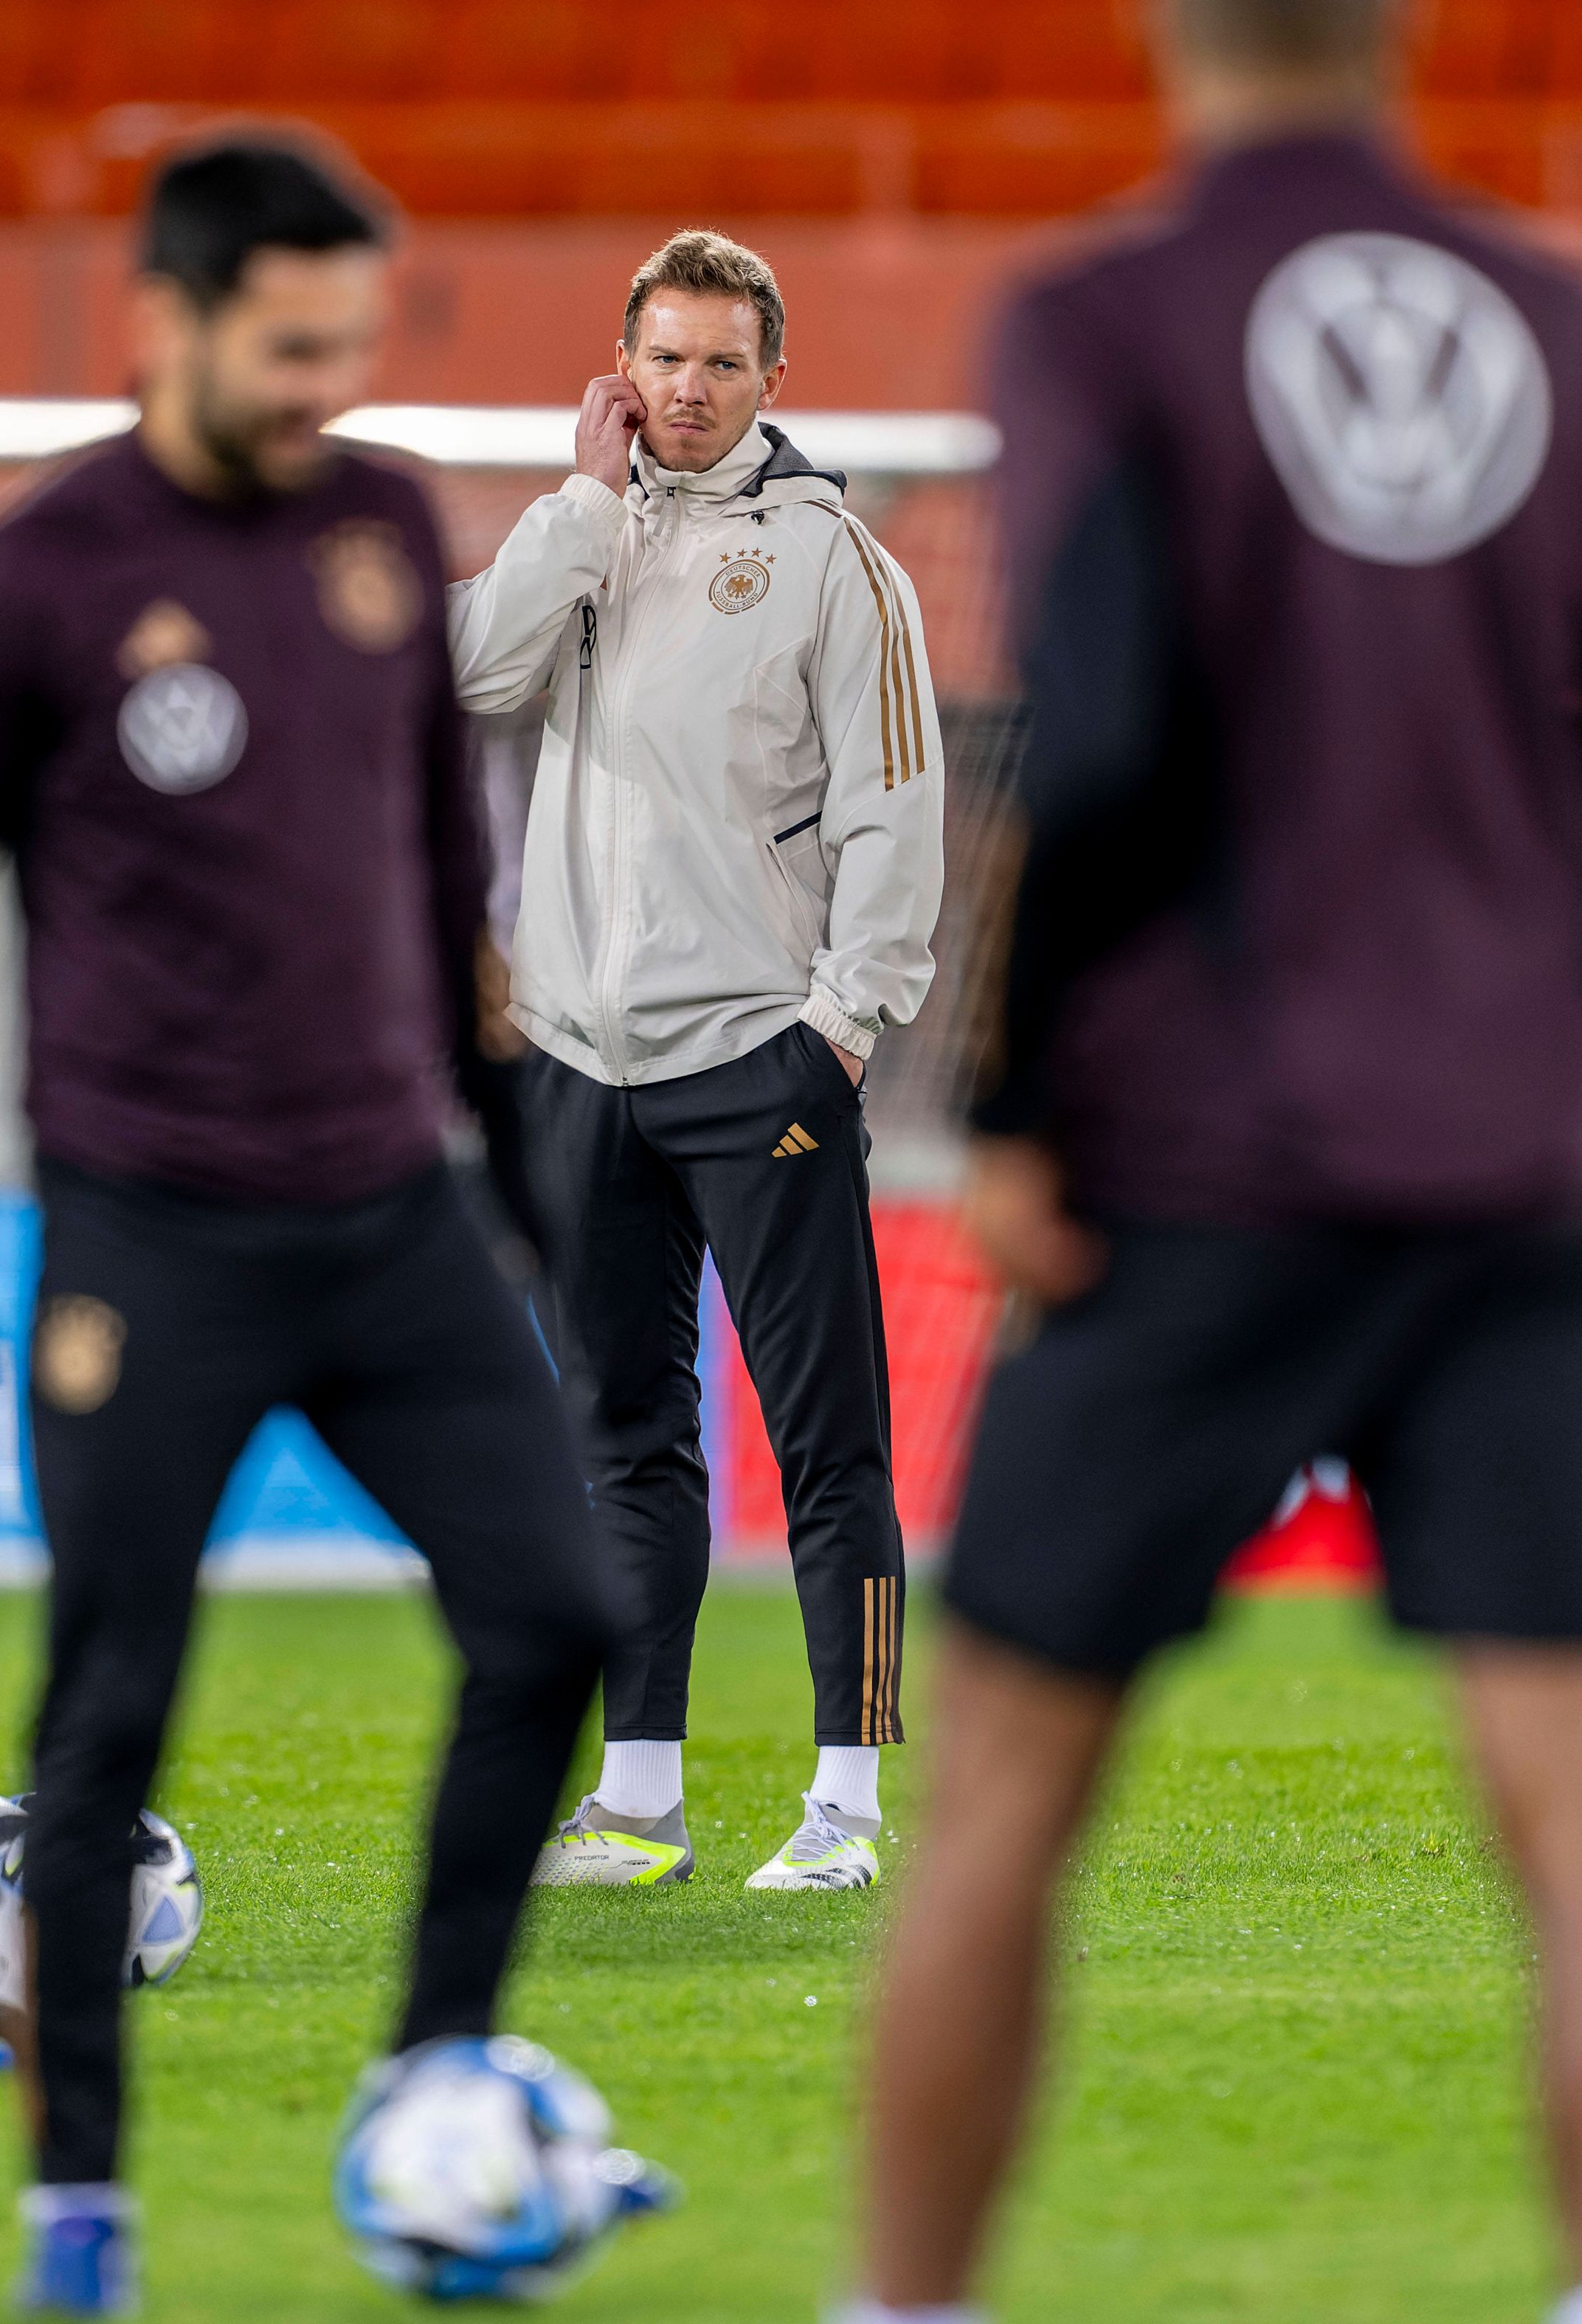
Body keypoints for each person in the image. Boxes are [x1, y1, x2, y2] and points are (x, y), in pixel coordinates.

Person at [846, 2, 1582, 2321]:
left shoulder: (1101, 314)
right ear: (1400, 26)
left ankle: (902, 2304)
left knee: (1012, 1782)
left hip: (1193, 1163)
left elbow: (1112, 727)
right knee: (1577, 1785)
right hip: (1508, 1160)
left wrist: (1015, 1108)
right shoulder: (1568, 315)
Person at [0, 139, 621, 2317]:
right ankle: (78, 2212)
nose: (326, 387)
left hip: (393, 1225)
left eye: (352, 347)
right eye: (290, 347)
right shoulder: (32, 578)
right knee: (111, 1713)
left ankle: (434, 2081)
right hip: (148, 1238)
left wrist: (521, 1170)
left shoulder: (383, 529)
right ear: (163, 321)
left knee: (558, 1610)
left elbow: (436, 879)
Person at [450, 229, 946, 1892]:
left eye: (720, 363)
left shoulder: (831, 561)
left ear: (768, 379)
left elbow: (894, 811)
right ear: (623, 363)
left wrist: (842, 1025)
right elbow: (465, 672)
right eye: (663, 359)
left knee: (827, 1445)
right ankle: (640, 1799)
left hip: (758, 1060)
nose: (687, 390)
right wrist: (577, 511)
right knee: (620, 1438)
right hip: (576, 1061)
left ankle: (846, 1805)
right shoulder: (583, 529)